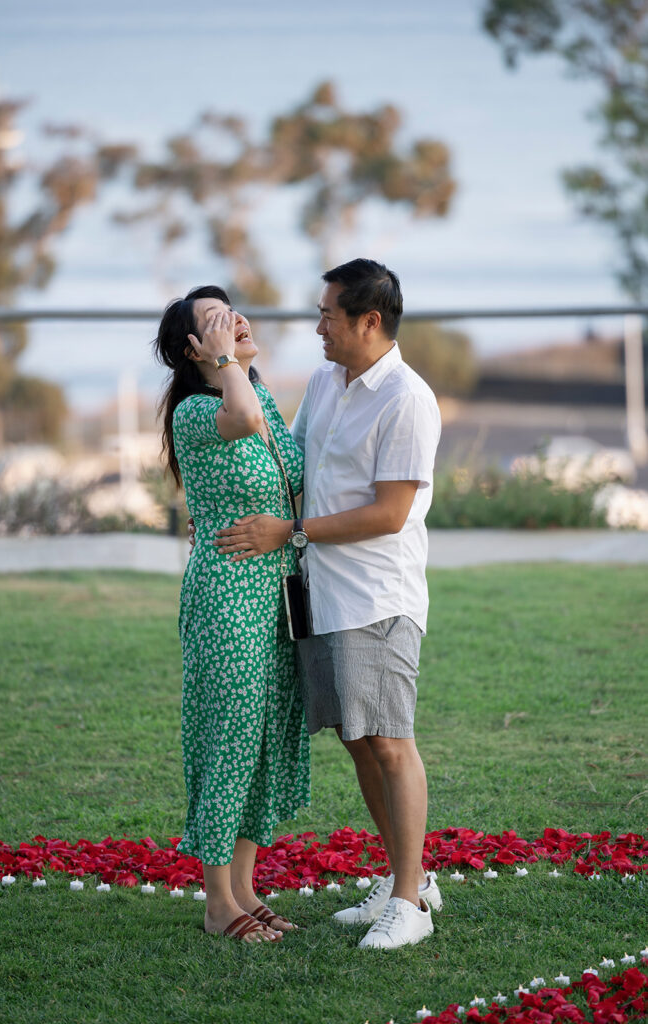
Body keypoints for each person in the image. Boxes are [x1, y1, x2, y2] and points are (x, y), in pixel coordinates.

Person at [215, 259, 442, 949]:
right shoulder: (323, 380)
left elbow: (390, 512)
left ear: (368, 321)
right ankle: (412, 877)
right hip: (321, 594)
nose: (316, 326)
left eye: (327, 315)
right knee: (357, 739)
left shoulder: (406, 397)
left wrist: (293, 531)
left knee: (390, 743)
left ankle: (409, 902)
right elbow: (290, 461)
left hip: (377, 595)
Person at [153, 286, 310, 944]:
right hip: (226, 598)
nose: (236, 322)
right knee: (230, 740)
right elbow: (242, 422)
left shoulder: (259, 393)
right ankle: (218, 902)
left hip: (277, 593)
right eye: (215, 321)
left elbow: (293, 477)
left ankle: (244, 887)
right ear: (194, 349)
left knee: (269, 738)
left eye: (234, 311)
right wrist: (228, 364)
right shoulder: (196, 410)